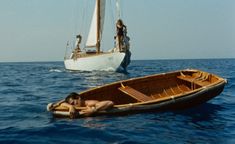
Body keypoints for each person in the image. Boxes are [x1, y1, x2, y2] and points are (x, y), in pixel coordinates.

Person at [47, 92, 114, 118]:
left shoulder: (90, 103)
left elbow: (110, 103)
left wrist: (94, 110)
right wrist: (70, 106)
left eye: (73, 103)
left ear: (79, 98)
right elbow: (50, 107)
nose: (74, 105)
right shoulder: (74, 106)